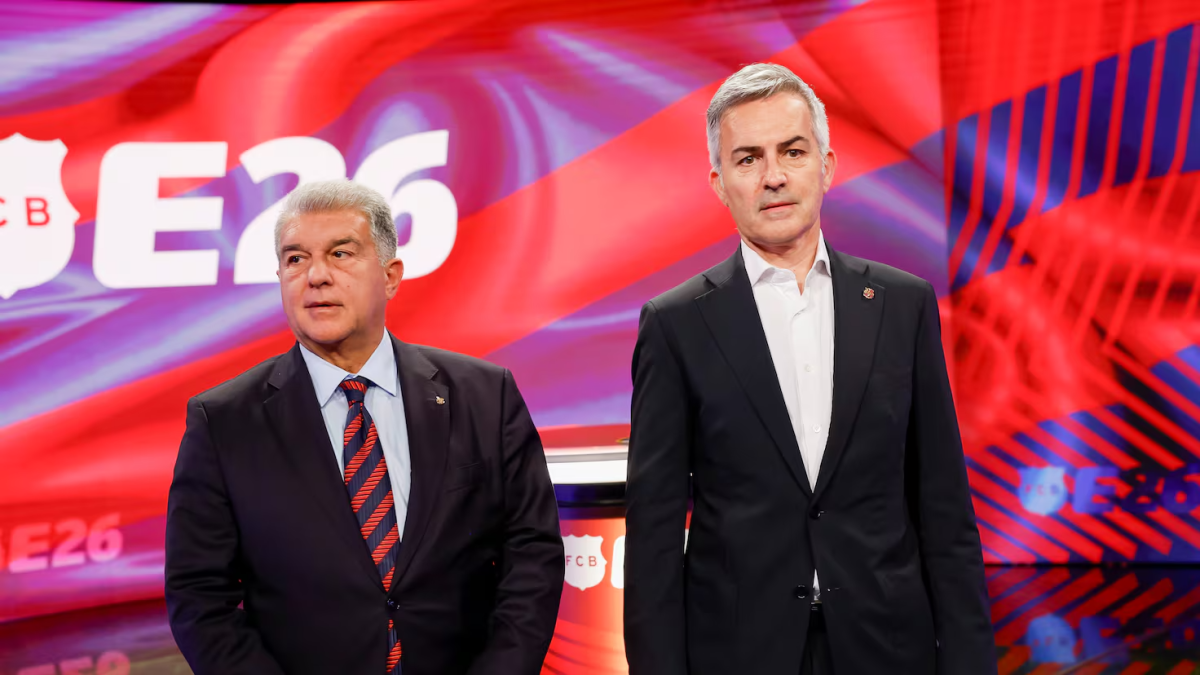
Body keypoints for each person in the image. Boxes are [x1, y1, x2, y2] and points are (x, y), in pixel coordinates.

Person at [623, 63, 996, 674]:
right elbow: (654, 539)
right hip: (741, 654)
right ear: (719, 183)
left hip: (887, 648)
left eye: (792, 152)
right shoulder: (675, 324)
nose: (773, 176)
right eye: (748, 159)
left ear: (826, 166)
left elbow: (944, 510)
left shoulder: (904, 306)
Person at [165, 179, 564, 675]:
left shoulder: (485, 395)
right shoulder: (224, 421)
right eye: (295, 259)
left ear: (390, 276)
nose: (316, 276)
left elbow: (531, 555)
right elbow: (200, 597)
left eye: (340, 253)